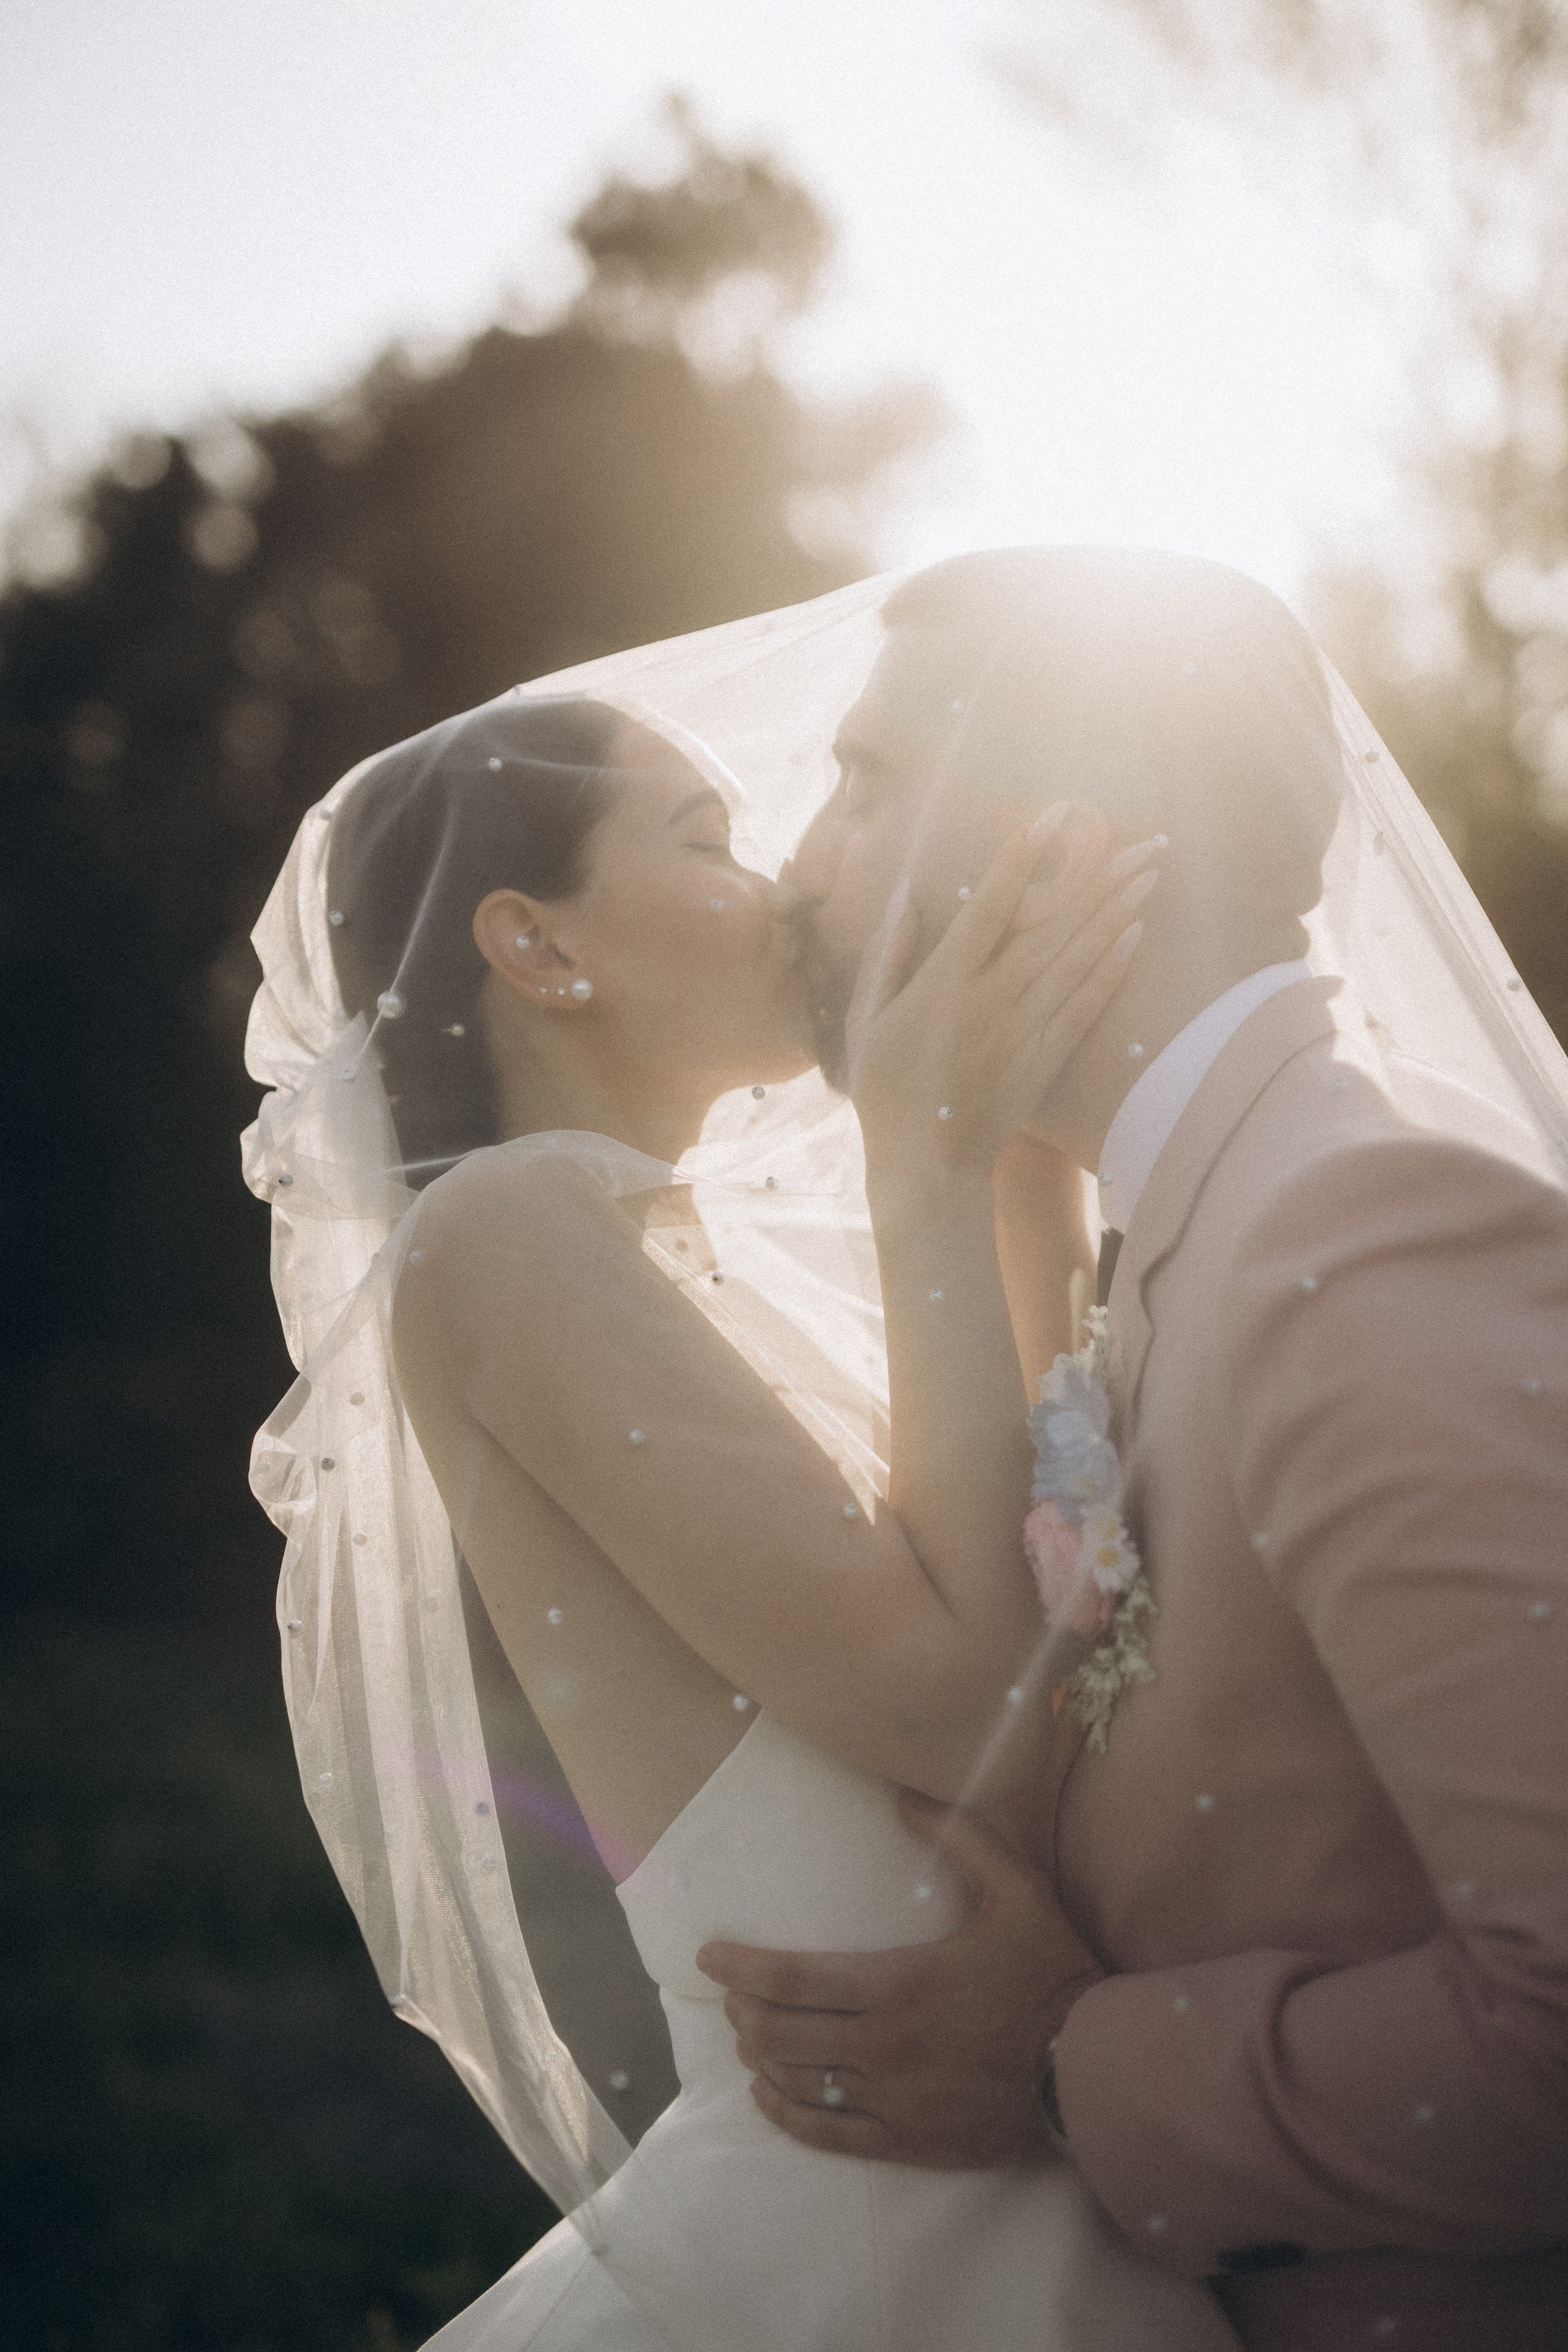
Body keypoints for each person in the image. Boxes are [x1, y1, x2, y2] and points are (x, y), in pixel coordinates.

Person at [244, 674, 1237, 2351]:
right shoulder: (500, 1234)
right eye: (705, 837)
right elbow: (959, 1704)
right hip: (864, 2240)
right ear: (537, 947)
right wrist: (926, 1162)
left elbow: (1034, 1565)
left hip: (967, 2184)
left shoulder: (649, 1260)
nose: (782, 883)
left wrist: (1016, 1171)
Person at [701, 548, 1568, 2352]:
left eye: (863, 787)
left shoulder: (1354, 1241)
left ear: (1059, 845)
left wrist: (1067, 2074)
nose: (803, 866)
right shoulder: (1173, 1252)